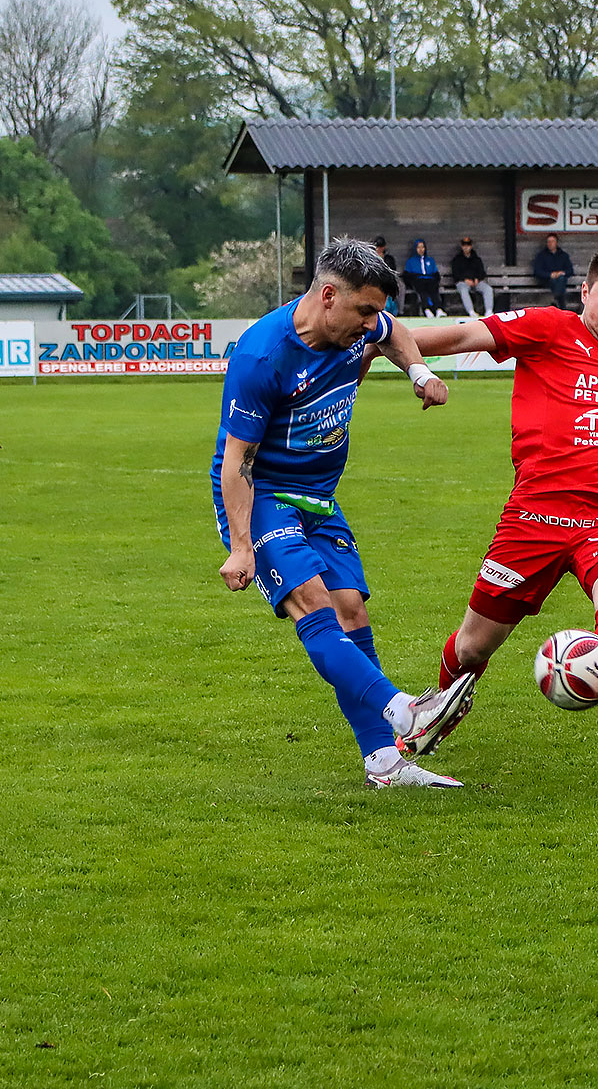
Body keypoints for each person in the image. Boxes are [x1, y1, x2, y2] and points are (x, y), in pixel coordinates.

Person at [211, 237, 470, 789]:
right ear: (327, 295)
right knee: (315, 604)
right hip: (264, 494)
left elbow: (395, 331)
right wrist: (239, 547)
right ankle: (403, 711)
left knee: (352, 608)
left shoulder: (364, 325)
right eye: (364, 310)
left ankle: (383, 762)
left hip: (320, 497)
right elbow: (237, 464)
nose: (372, 322)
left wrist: (418, 373)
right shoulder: (264, 355)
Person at [410, 240, 598, 731]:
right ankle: (435, 713)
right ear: (586, 291)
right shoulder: (549, 328)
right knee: (472, 645)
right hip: (537, 514)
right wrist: (388, 344)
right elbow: (465, 335)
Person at [448, 236, 493, 316]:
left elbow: (482, 272)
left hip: (476, 282)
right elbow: (455, 274)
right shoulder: (457, 259)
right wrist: (464, 280)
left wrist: (477, 279)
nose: (466, 247)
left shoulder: (476, 259)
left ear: (471, 246)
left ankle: (489, 311)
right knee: (463, 290)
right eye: (464, 245)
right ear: (462, 246)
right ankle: (471, 311)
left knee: (488, 289)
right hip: (462, 282)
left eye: (468, 245)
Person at [532, 234, 576, 310]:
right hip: (546, 280)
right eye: (548, 241)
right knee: (556, 280)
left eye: (552, 241)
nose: (550, 243)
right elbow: (537, 271)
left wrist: (562, 273)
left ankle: (555, 300)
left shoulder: (563, 255)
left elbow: (570, 270)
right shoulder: (541, 256)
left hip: (561, 280)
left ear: (556, 243)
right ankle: (561, 305)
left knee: (561, 278)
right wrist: (550, 275)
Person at [401, 238, 442, 317]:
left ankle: (438, 309)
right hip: (418, 280)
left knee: (434, 290)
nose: (421, 249)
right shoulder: (411, 261)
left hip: (429, 279)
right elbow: (406, 275)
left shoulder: (430, 260)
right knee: (422, 291)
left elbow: (435, 273)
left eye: (422, 247)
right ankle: (426, 309)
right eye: (418, 247)